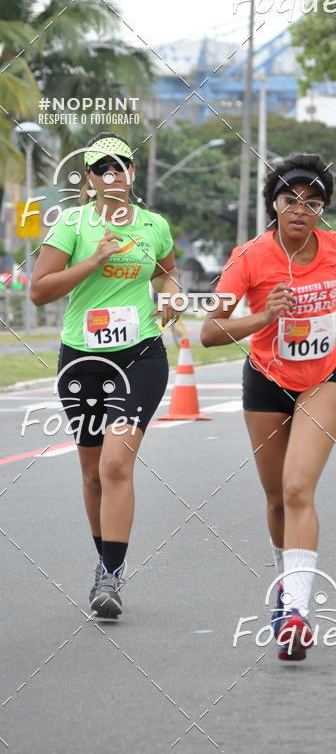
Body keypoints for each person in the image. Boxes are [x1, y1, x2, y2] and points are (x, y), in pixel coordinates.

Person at [201, 153, 336, 660]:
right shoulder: (249, 257)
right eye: (290, 200)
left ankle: (299, 610)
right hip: (265, 381)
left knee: (298, 487)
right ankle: (287, 584)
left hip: (325, 377)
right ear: (274, 204)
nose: (301, 210)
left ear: (323, 209)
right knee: (277, 497)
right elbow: (210, 332)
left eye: (313, 202)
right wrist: (263, 316)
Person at [30, 133, 179, 618]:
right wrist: (93, 261)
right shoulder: (71, 224)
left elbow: (168, 269)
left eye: (121, 166)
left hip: (140, 356)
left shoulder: (154, 224)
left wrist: (172, 293)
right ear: (89, 180)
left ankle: (111, 577)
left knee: (116, 464)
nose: (112, 175)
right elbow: (39, 291)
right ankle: (103, 562)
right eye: (102, 169)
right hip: (83, 360)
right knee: (93, 472)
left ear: (133, 173)